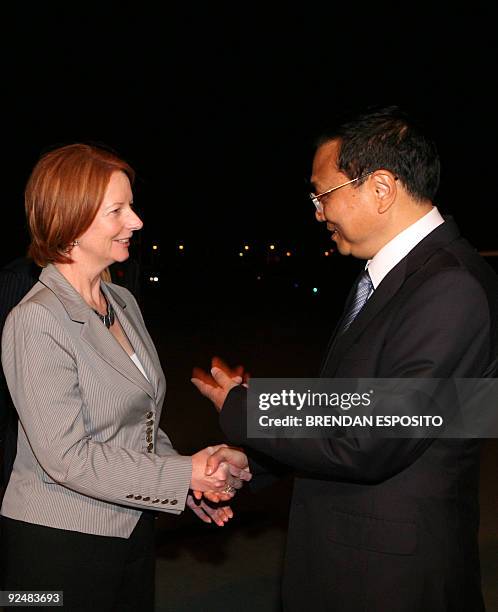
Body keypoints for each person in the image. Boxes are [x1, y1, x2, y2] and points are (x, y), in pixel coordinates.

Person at [192, 106, 498, 611]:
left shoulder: (450, 286)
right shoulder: (395, 280)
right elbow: (351, 406)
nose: (317, 212)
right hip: (358, 562)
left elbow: (374, 434)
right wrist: (253, 461)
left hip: (390, 579)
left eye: (323, 193)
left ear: (380, 188)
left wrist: (248, 409)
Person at [0, 143, 250, 611]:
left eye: (130, 207)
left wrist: (187, 481)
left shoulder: (122, 302)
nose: (136, 221)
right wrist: (182, 475)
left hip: (132, 529)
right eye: (118, 210)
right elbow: (66, 457)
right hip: (58, 547)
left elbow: (139, 427)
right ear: (71, 220)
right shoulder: (35, 319)